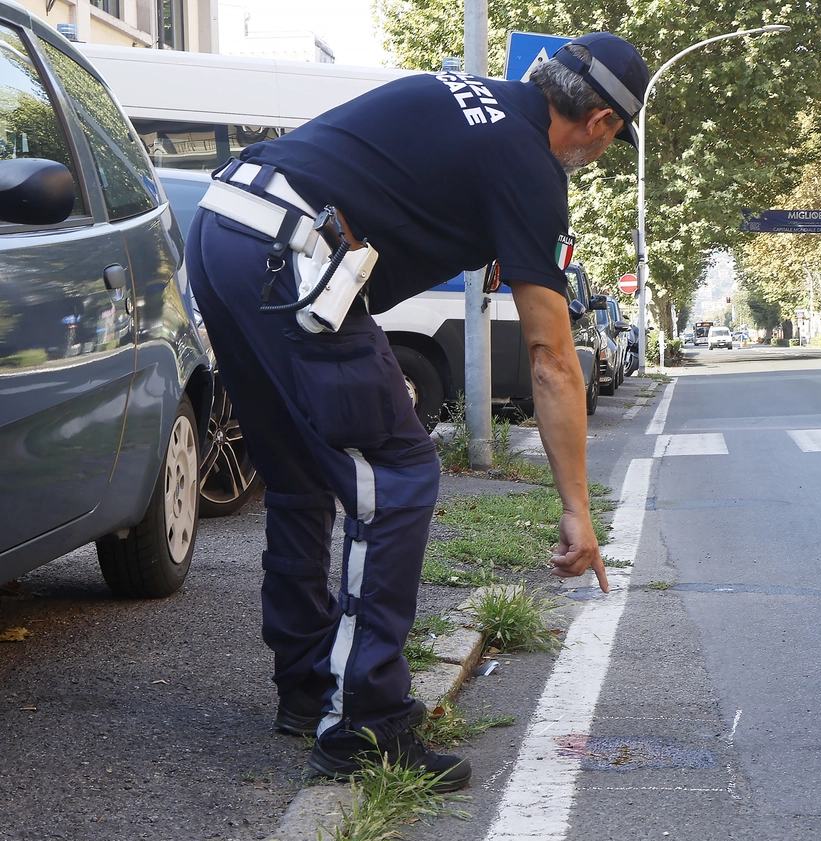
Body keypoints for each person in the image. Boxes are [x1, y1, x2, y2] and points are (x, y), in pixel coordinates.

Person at [185, 34, 649, 792]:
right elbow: (553, 357)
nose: (601, 152)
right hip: (295, 251)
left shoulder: (464, 93)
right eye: (611, 140)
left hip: (224, 223)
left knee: (302, 472)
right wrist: (577, 511)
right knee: (398, 472)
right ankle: (366, 721)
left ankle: (309, 686)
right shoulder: (531, 165)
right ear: (600, 120)